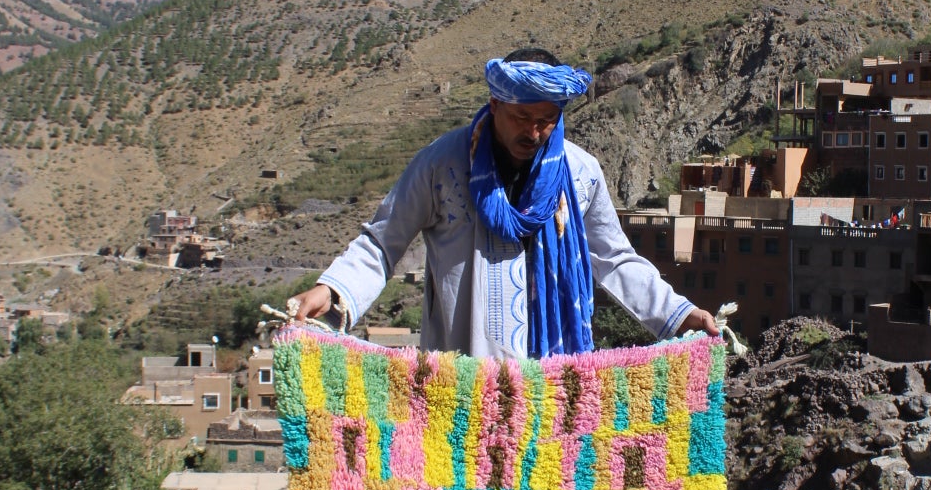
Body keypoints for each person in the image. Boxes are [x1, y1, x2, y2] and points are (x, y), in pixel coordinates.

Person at [291, 48, 719, 358]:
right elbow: (383, 242)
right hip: (462, 376)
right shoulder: (442, 165)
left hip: (552, 380)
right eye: (521, 117)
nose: (533, 133)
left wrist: (676, 314)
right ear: (495, 104)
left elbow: (614, 259)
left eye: (546, 120)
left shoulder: (580, 173)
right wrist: (333, 290)